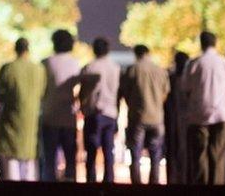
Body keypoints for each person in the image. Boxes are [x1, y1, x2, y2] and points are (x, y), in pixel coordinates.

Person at [183, 31, 225, 185]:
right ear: (215, 43)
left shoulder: (194, 63)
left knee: (200, 155)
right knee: (218, 156)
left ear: (201, 43)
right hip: (221, 115)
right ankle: (216, 186)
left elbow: (186, 88)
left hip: (198, 115)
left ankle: (201, 187)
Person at [0, 37, 46, 181]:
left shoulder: (8, 68)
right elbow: (42, 93)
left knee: (11, 162)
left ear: (15, 49)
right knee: (29, 165)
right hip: (32, 122)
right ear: (28, 49)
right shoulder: (39, 70)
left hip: (11, 121)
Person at [120, 44, 170, 184]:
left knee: (135, 153)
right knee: (155, 153)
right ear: (148, 53)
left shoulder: (132, 70)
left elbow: (125, 92)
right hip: (157, 117)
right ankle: (154, 183)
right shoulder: (160, 70)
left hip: (138, 116)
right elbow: (165, 93)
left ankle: (137, 185)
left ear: (136, 54)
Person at [40, 29, 81, 182]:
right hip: (68, 117)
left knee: (49, 160)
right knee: (70, 159)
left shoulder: (45, 63)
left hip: (49, 116)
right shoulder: (75, 63)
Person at [78, 37, 120, 183]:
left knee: (91, 150)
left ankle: (91, 180)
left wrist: (82, 107)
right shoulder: (115, 68)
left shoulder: (90, 67)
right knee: (108, 150)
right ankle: (109, 180)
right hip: (110, 113)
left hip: (94, 113)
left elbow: (83, 92)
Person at [164, 51, 190, 184]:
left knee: (172, 152)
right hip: (187, 123)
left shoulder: (170, 78)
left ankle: (173, 180)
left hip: (171, 121)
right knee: (185, 154)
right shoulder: (190, 80)